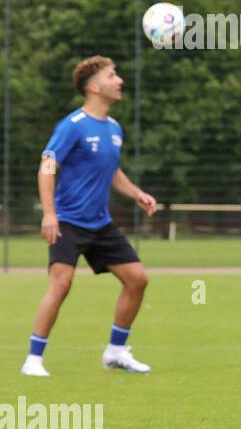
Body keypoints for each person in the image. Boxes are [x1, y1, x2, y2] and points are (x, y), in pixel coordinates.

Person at [20, 56, 157, 378]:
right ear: (95, 87)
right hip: (68, 220)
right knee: (61, 284)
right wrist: (50, 214)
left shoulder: (113, 128)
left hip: (100, 223)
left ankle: (116, 352)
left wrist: (136, 193)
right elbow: (47, 167)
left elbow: (111, 171)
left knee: (138, 280)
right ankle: (34, 359)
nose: (120, 80)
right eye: (113, 75)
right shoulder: (72, 126)